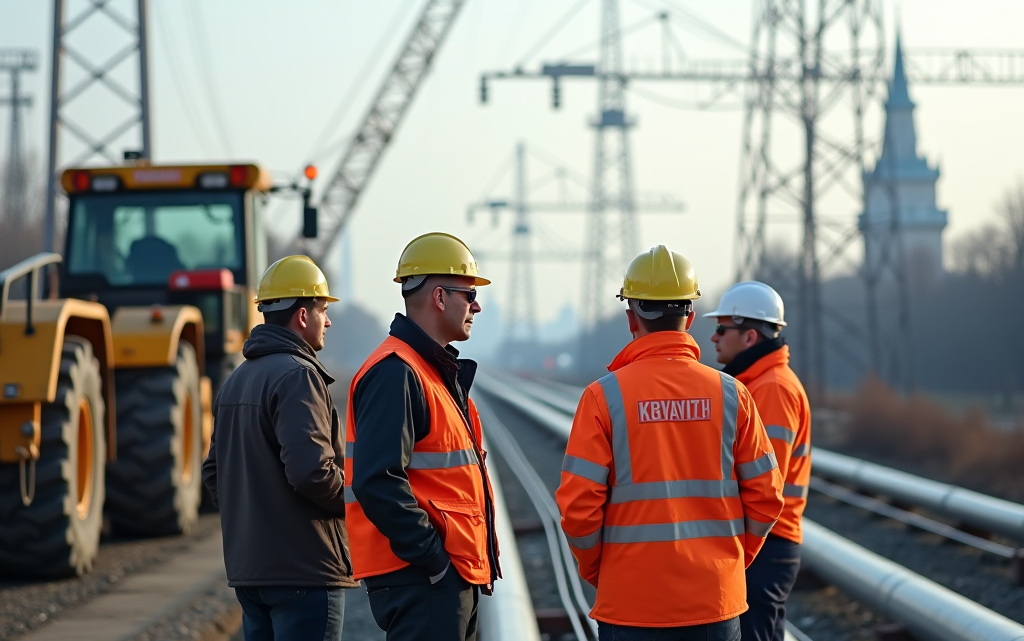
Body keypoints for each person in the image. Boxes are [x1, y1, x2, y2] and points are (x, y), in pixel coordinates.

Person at [556, 245, 785, 641]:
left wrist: (602, 570)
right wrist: (728, 563)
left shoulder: (602, 398)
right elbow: (768, 496)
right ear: (691, 317)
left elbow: (578, 510)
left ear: (631, 318)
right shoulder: (732, 395)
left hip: (630, 605)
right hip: (715, 602)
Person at [344, 232, 500, 641]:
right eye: (469, 294)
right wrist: (434, 561)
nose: (476, 306)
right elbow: (377, 479)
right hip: (424, 578)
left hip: (443, 576)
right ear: (439, 297)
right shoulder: (396, 372)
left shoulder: (427, 370)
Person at [202, 255, 356, 641]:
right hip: (305, 569)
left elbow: (213, 474)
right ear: (302, 316)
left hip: (251, 575)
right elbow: (311, 472)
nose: (329, 320)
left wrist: (254, 519)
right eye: (323, 309)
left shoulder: (236, 381)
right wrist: (356, 501)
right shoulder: (299, 376)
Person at [704, 281, 811, 641]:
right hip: (762, 540)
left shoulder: (772, 389)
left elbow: (765, 483)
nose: (714, 338)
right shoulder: (754, 384)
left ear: (750, 337)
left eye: (722, 329)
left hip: (766, 541)